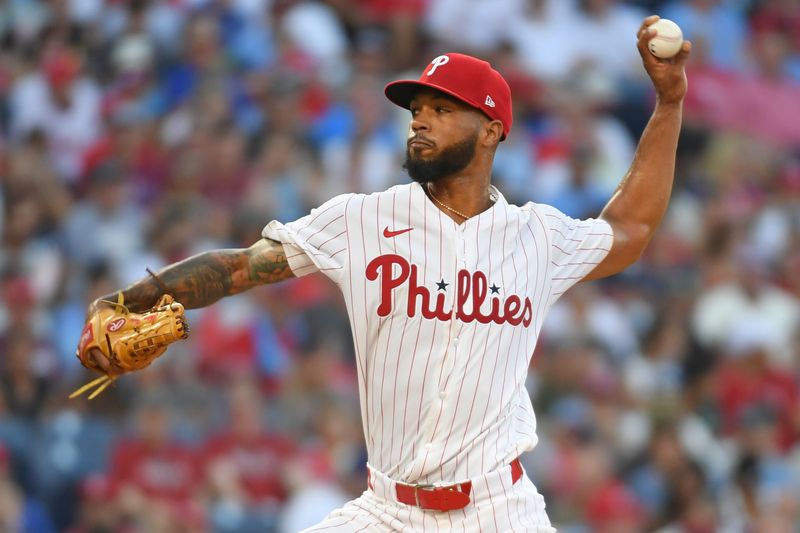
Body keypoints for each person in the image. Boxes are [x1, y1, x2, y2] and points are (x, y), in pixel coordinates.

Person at [78, 16, 691, 532]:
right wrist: (124, 299)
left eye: (441, 109)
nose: (419, 119)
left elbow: (631, 230)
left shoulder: (538, 238)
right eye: (416, 107)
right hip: (388, 511)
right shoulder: (362, 219)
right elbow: (238, 268)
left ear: (491, 130)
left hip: (498, 510)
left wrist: (669, 103)